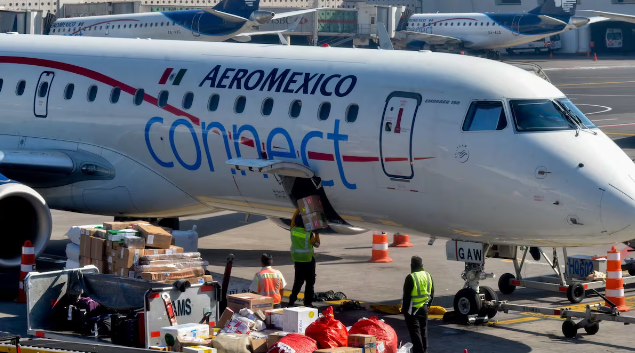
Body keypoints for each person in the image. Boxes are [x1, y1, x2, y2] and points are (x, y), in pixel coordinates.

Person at [288, 208, 320, 307]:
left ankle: (291, 301)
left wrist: (299, 208)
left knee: (297, 282)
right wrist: (317, 234)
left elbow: (293, 220)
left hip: (297, 261)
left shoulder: (293, 230)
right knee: (310, 283)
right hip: (308, 261)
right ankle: (308, 302)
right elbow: (317, 244)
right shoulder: (308, 234)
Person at [402, 256, 434, 353]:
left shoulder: (411, 277)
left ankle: (419, 352)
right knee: (423, 332)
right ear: (422, 265)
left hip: (413, 310)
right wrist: (428, 306)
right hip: (424, 308)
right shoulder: (428, 275)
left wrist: (405, 311)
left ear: (412, 266)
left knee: (415, 334)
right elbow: (432, 293)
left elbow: (406, 297)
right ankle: (424, 351)